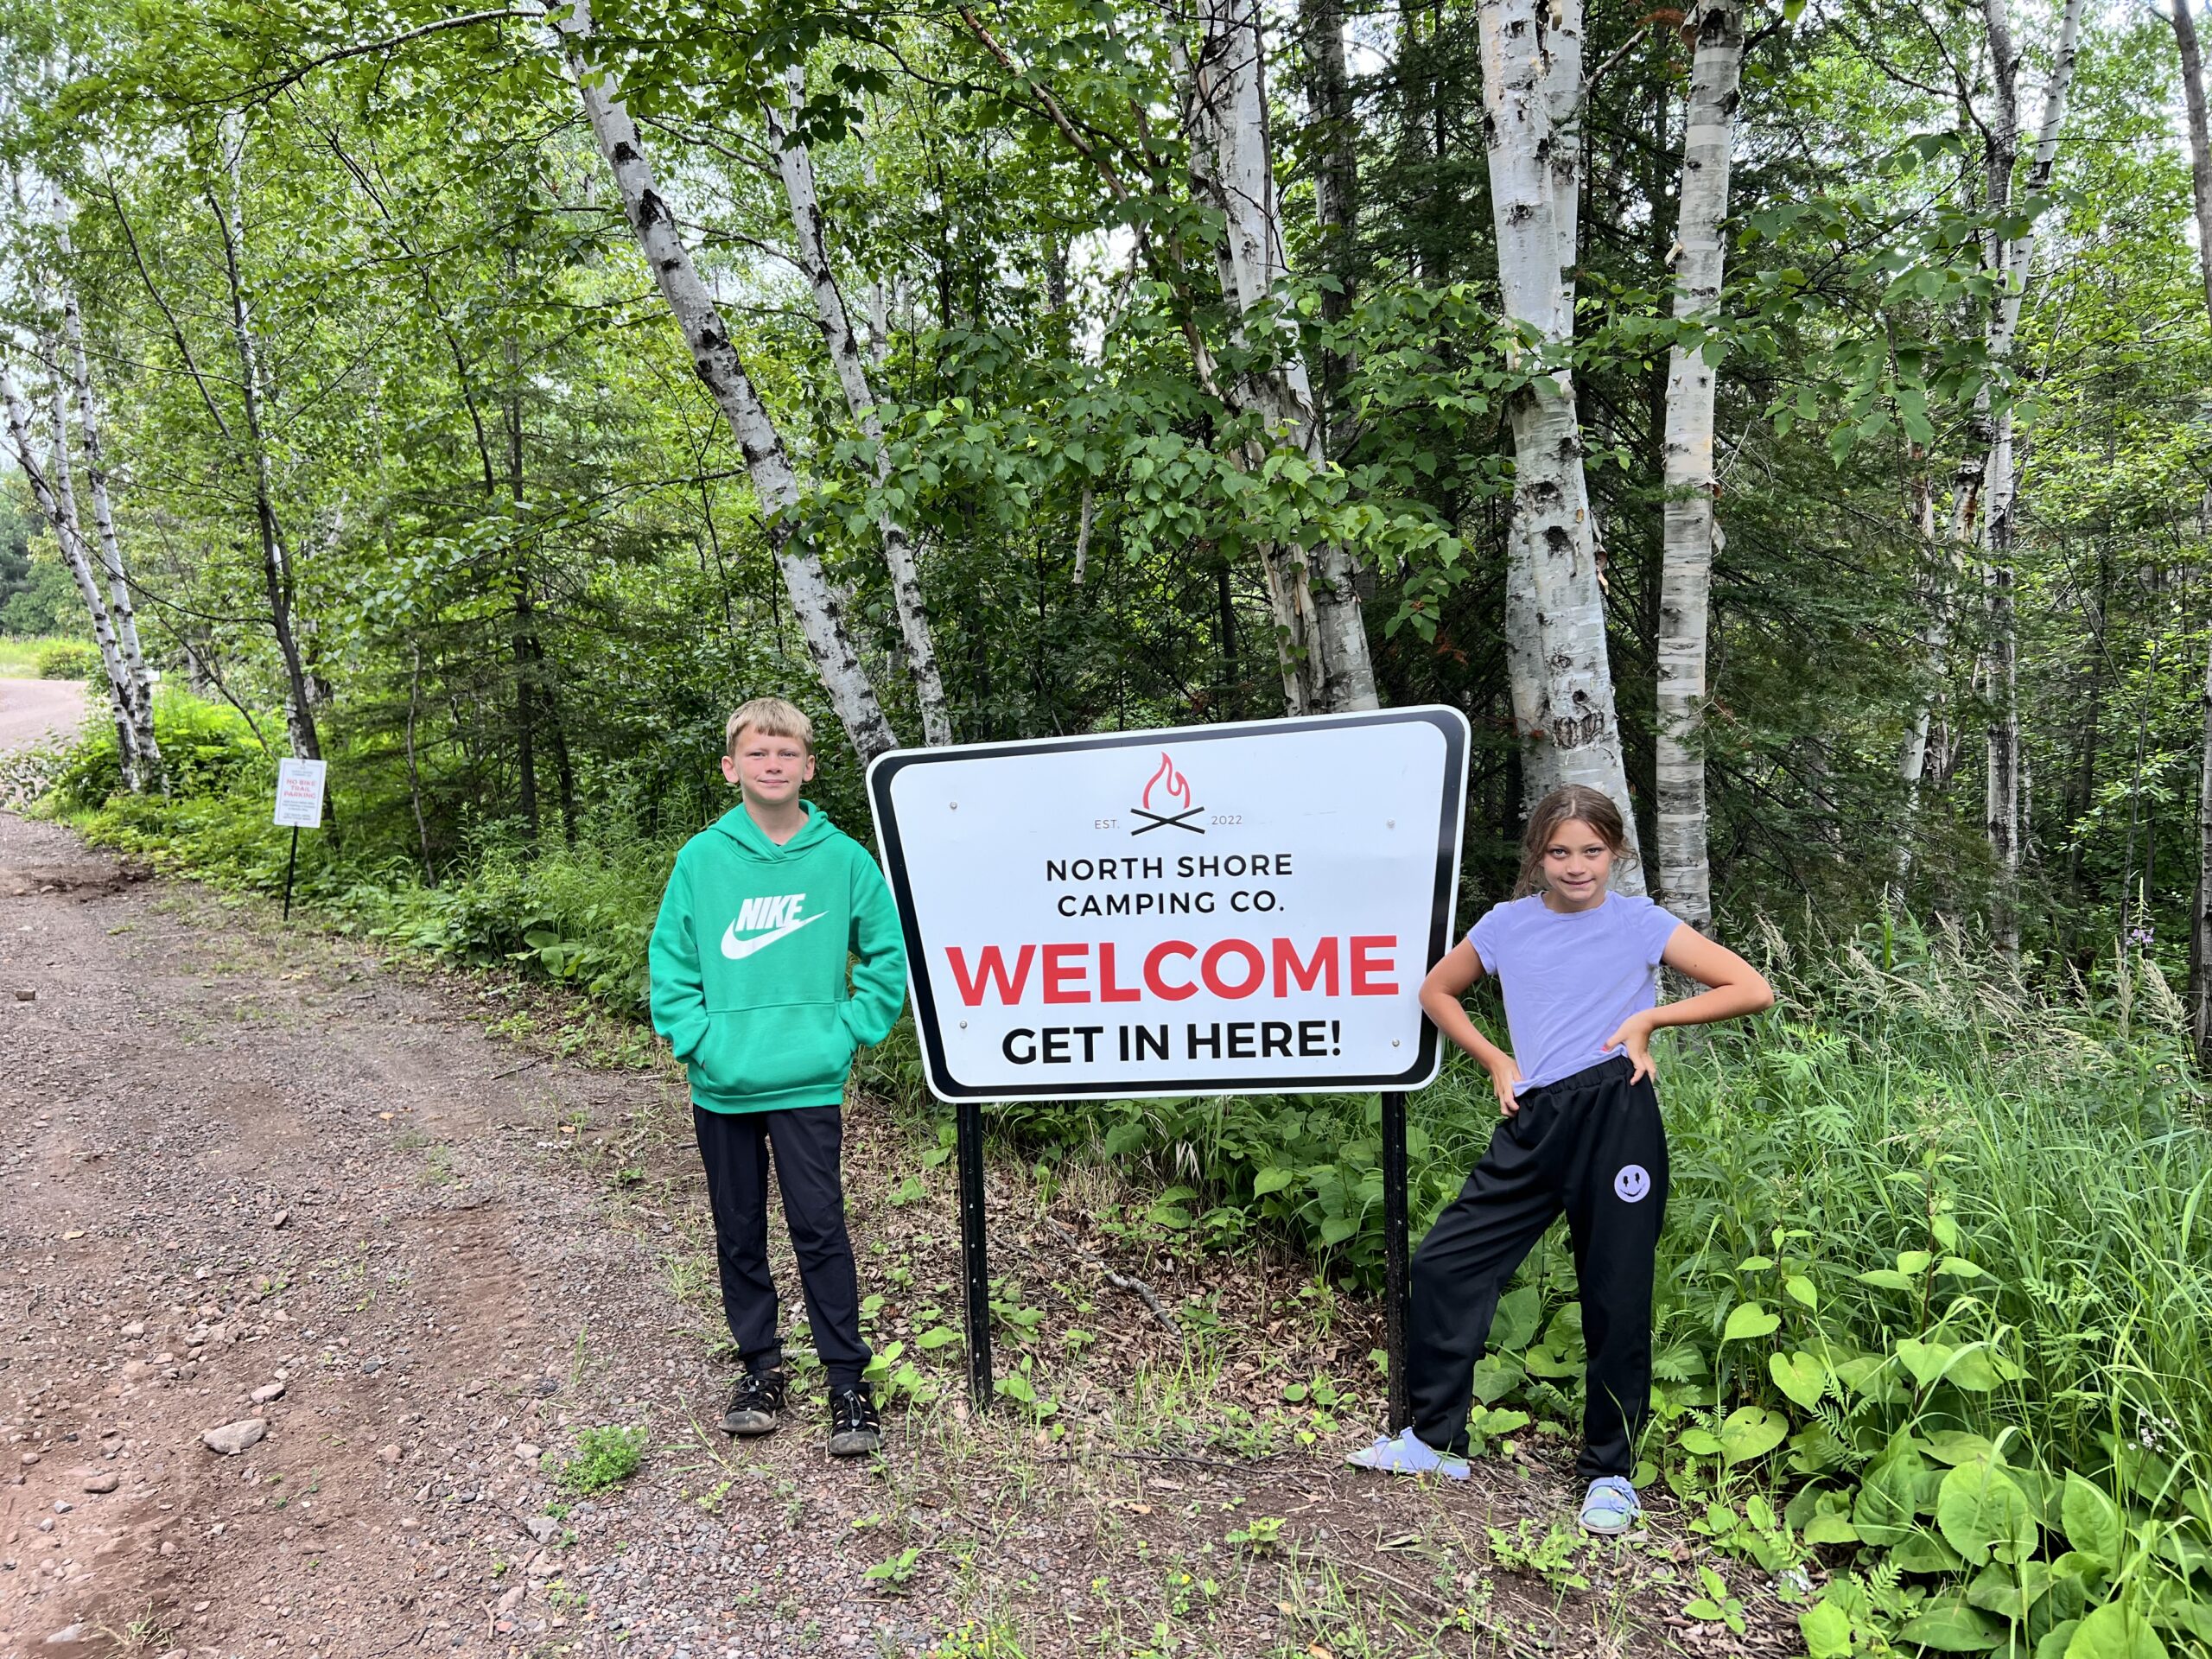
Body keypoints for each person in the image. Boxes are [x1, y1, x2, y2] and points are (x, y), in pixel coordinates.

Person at [1348, 785, 1773, 1534]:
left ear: (1616, 853)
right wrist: (1494, 1060)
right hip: (1536, 1115)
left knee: (1614, 1292)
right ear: (1537, 855)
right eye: (1559, 852)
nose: (1576, 867)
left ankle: (1610, 1473)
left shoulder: (1640, 921)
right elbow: (1435, 991)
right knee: (1447, 1261)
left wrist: (1649, 1017)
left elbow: (1751, 988)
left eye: (1592, 851)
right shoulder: (1506, 925)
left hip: (1617, 1110)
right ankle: (1434, 1438)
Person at [648, 696, 908, 1457]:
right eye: (758, 755)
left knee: (820, 1228)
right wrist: (697, 1041)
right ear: (732, 768)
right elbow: (673, 962)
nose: (772, 766)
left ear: (808, 766)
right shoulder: (702, 859)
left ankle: (846, 1382)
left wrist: (848, 1032)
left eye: (785, 755)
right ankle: (760, 1369)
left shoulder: (843, 859)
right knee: (738, 1230)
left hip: (808, 1079)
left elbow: (886, 955)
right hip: (724, 1083)